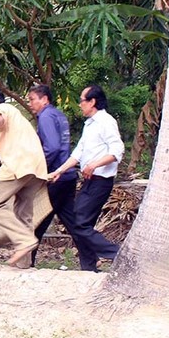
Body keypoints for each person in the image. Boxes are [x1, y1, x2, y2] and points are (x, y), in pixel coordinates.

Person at [48, 85, 122, 272]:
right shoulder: (89, 125)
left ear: (92, 102)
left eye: (82, 100)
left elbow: (117, 150)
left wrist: (94, 165)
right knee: (81, 224)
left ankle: (117, 253)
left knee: (79, 224)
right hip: (89, 181)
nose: (80, 104)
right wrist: (60, 171)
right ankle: (89, 268)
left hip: (101, 181)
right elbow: (78, 153)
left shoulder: (106, 122)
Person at [0, 87, 48, 268]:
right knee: (23, 214)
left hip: (19, 165)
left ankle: (24, 240)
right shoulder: (18, 116)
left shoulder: (3, 108)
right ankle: (24, 265)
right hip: (36, 168)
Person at [27, 84, 78, 267]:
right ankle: (91, 259)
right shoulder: (59, 115)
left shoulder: (46, 116)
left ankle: (27, 261)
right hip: (68, 175)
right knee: (72, 222)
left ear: (44, 99)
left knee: (38, 220)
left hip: (55, 176)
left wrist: (41, 169)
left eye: (32, 99)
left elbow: (53, 147)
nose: (30, 103)